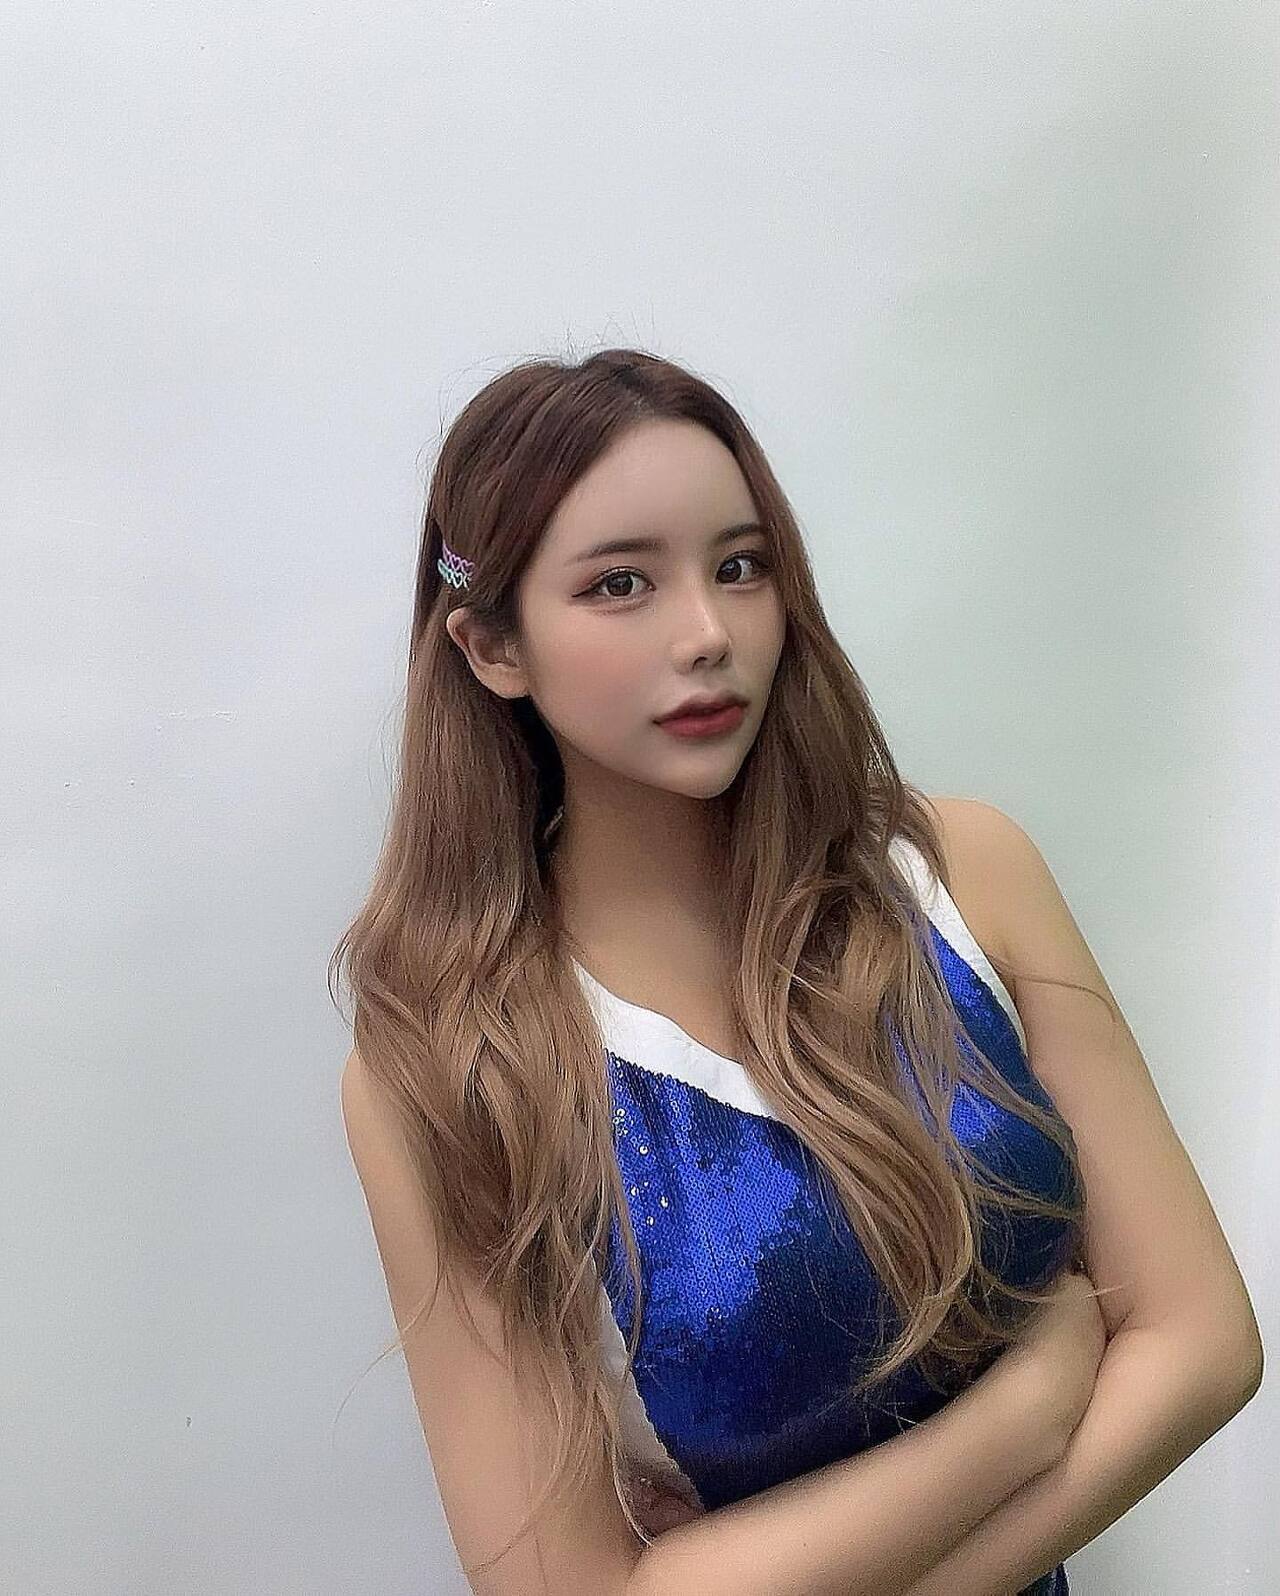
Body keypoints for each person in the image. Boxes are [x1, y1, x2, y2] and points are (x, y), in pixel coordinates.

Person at [333, 349, 1253, 1595]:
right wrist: (1028, 1407)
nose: (707, 634)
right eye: (618, 584)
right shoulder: (448, 1070)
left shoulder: (962, 876)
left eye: (739, 566)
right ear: (492, 646)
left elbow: (1203, 1344)